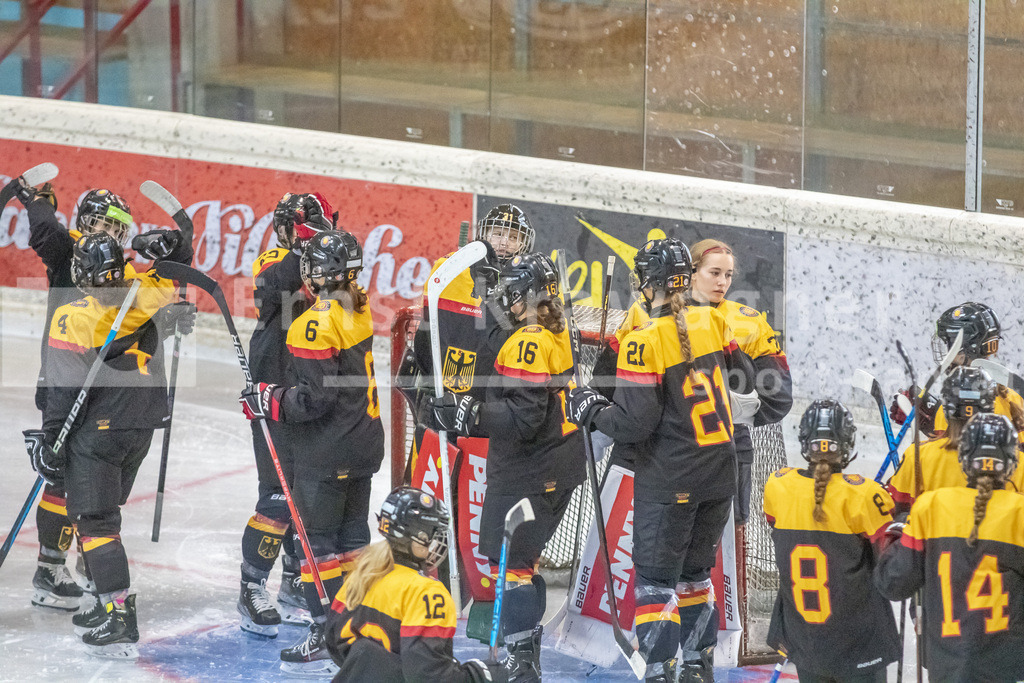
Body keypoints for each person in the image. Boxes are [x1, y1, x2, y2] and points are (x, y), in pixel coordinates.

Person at [566, 238, 756, 682]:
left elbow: (635, 425)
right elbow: (744, 380)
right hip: (720, 473)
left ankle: (659, 673)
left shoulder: (643, 340)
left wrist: (591, 408)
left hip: (672, 479)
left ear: (647, 284)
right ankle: (696, 669)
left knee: (654, 584)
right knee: (694, 578)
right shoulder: (712, 319)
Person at [9, 177, 192, 616]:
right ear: (88, 222)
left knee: (94, 488)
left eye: (119, 227)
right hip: (66, 376)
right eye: (106, 224)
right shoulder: (73, 254)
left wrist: (173, 293)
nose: (113, 234)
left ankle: (90, 566)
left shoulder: (123, 269)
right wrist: (35, 201)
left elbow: (154, 303)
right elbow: (46, 234)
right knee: (62, 479)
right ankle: (51, 568)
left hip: (117, 393)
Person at [428, 252, 584, 681]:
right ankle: (525, 655)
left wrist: (468, 414)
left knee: (508, 567)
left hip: (529, 468)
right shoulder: (554, 328)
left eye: (510, 293)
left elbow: (523, 418)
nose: (502, 299)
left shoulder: (528, 341)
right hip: (561, 464)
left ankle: (521, 663)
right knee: (524, 562)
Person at [240, 229, 384, 675]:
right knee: (354, 543)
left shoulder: (312, 323)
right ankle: (359, 629)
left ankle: (325, 635)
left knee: (316, 547)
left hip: (327, 450)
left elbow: (313, 400)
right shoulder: (359, 306)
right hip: (365, 442)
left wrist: (267, 399)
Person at [236, 192, 334, 637]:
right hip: (273, 392)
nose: (296, 235)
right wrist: (307, 245)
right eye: (294, 227)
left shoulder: (334, 265)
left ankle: (295, 576)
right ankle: (252, 586)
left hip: (310, 392)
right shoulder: (275, 259)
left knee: (308, 495)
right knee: (277, 494)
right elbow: (273, 283)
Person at [875, 412, 1024, 681]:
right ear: (1011, 462)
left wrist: (896, 534)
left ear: (964, 458)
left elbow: (892, 583)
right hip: (1006, 665)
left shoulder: (930, 506)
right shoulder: (1020, 513)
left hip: (945, 663)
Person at [764, 400, 899, 681]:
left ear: (805, 441)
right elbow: (892, 559)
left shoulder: (777, 486)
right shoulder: (865, 496)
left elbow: (780, 520)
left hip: (805, 641)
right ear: (847, 443)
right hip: (858, 644)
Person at [325, 486, 504, 682]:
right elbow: (428, 675)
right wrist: (478, 675)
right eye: (433, 534)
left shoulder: (359, 575)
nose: (437, 542)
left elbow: (335, 646)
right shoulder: (427, 592)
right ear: (418, 539)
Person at [686, 238, 792, 525]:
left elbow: (779, 395)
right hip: (676, 447)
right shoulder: (661, 314)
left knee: (729, 536)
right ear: (692, 272)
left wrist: (732, 408)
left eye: (728, 275)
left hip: (730, 446)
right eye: (715, 273)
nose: (723, 282)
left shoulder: (750, 321)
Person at [887, 366, 1024, 514]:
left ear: (945, 410)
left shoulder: (917, 456)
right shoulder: (1019, 462)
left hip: (934, 534)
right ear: (990, 408)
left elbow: (896, 512)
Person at [890, 302, 1023, 437]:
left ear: (965, 351)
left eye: (949, 344)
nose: (947, 354)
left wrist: (933, 419)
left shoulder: (973, 398)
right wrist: (931, 417)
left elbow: (953, 454)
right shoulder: (1013, 393)